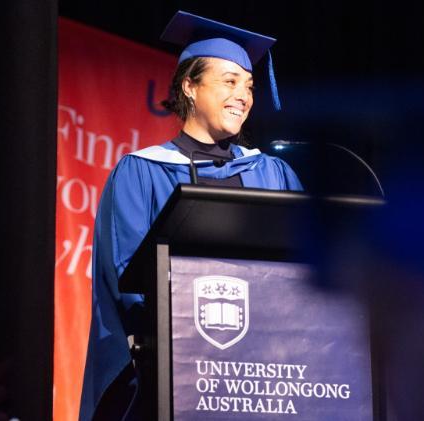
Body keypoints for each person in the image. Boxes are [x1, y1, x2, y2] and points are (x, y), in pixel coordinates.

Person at [79, 11, 302, 421]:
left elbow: (303, 268)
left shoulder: (272, 173)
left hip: (269, 373)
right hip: (175, 369)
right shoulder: (142, 172)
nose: (244, 96)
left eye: (249, 86)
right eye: (229, 82)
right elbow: (127, 274)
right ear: (190, 87)